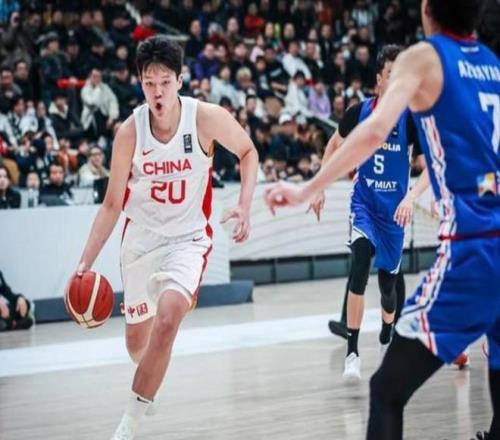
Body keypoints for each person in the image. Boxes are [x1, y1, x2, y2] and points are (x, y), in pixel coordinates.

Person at [266, 0, 499, 438]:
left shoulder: (425, 57)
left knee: (386, 390)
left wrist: (307, 189)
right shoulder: (492, 63)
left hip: (474, 250)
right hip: (456, 226)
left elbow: (373, 132)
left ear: (427, 9)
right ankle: (357, 344)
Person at [69, 35, 258, 440]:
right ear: (140, 82)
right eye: (149, 83)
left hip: (188, 239)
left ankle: (129, 423)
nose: (157, 92)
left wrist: (245, 205)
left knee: (169, 320)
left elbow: (248, 151)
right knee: (138, 346)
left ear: (180, 80)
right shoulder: (129, 133)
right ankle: (149, 375)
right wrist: (85, 262)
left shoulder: (205, 117)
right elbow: (111, 205)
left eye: (165, 83)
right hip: (141, 241)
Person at [307, 45, 429, 381]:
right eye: (392, 74)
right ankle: (353, 353)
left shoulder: (411, 120)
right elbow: (334, 145)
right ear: (379, 79)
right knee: (359, 266)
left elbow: (431, 166)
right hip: (364, 205)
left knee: (388, 287)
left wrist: (411, 197)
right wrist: (319, 187)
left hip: (394, 214)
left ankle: (387, 329)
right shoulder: (358, 112)